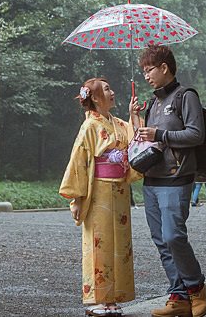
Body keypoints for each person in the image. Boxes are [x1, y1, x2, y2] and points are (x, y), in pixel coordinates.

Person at [135, 44, 206, 317]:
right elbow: (147, 140)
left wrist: (160, 135)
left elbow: (195, 135)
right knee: (160, 240)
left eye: (149, 70)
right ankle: (178, 296)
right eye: (143, 71)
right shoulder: (153, 103)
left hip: (176, 178)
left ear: (164, 67)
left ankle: (196, 287)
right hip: (152, 180)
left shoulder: (185, 96)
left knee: (173, 236)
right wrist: (138, 122)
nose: (146, 76)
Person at [60, 77, 143, 317]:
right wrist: (76, 198)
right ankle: (97, 299)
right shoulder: (90, 126)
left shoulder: (116, 123)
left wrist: (133, 115)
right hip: (99, 191)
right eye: (107, 89)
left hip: (119, 192)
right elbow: (79, 161)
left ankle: (114, 297)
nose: (113, 92)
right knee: (100, 244)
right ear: (95, 97)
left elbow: (135, 140)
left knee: (120, 244)